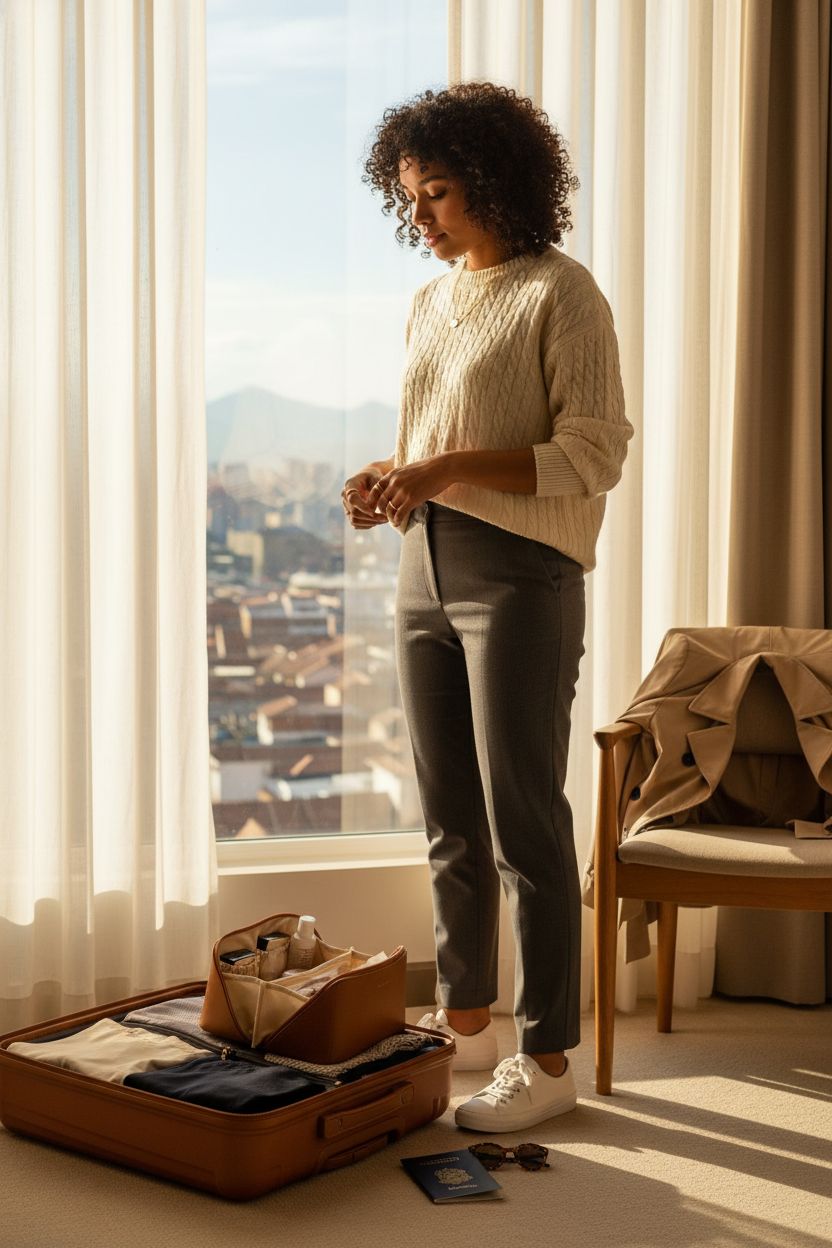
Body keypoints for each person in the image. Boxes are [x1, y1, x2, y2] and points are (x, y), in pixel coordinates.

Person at [343, 82, 633, 1132]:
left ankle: (547, 1058)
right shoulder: (430, 301)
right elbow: (435, 440)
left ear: (497, 182)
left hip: (519, 576)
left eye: (439, 193)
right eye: (408, 197)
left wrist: (443, 466)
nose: (420, 217)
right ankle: (466, 1023)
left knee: (522, 819)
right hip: (421, 567)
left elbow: (593, 453)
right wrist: (388, 477)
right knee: (447, 820)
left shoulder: (562, 292)